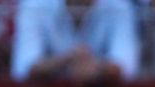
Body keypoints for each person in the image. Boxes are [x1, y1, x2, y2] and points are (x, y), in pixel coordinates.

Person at [9, 0, 140, 80]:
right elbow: (23, 68)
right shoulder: (35, 4)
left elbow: (127, 68)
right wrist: (66, 60)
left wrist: (97, 68)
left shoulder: (118, 5)